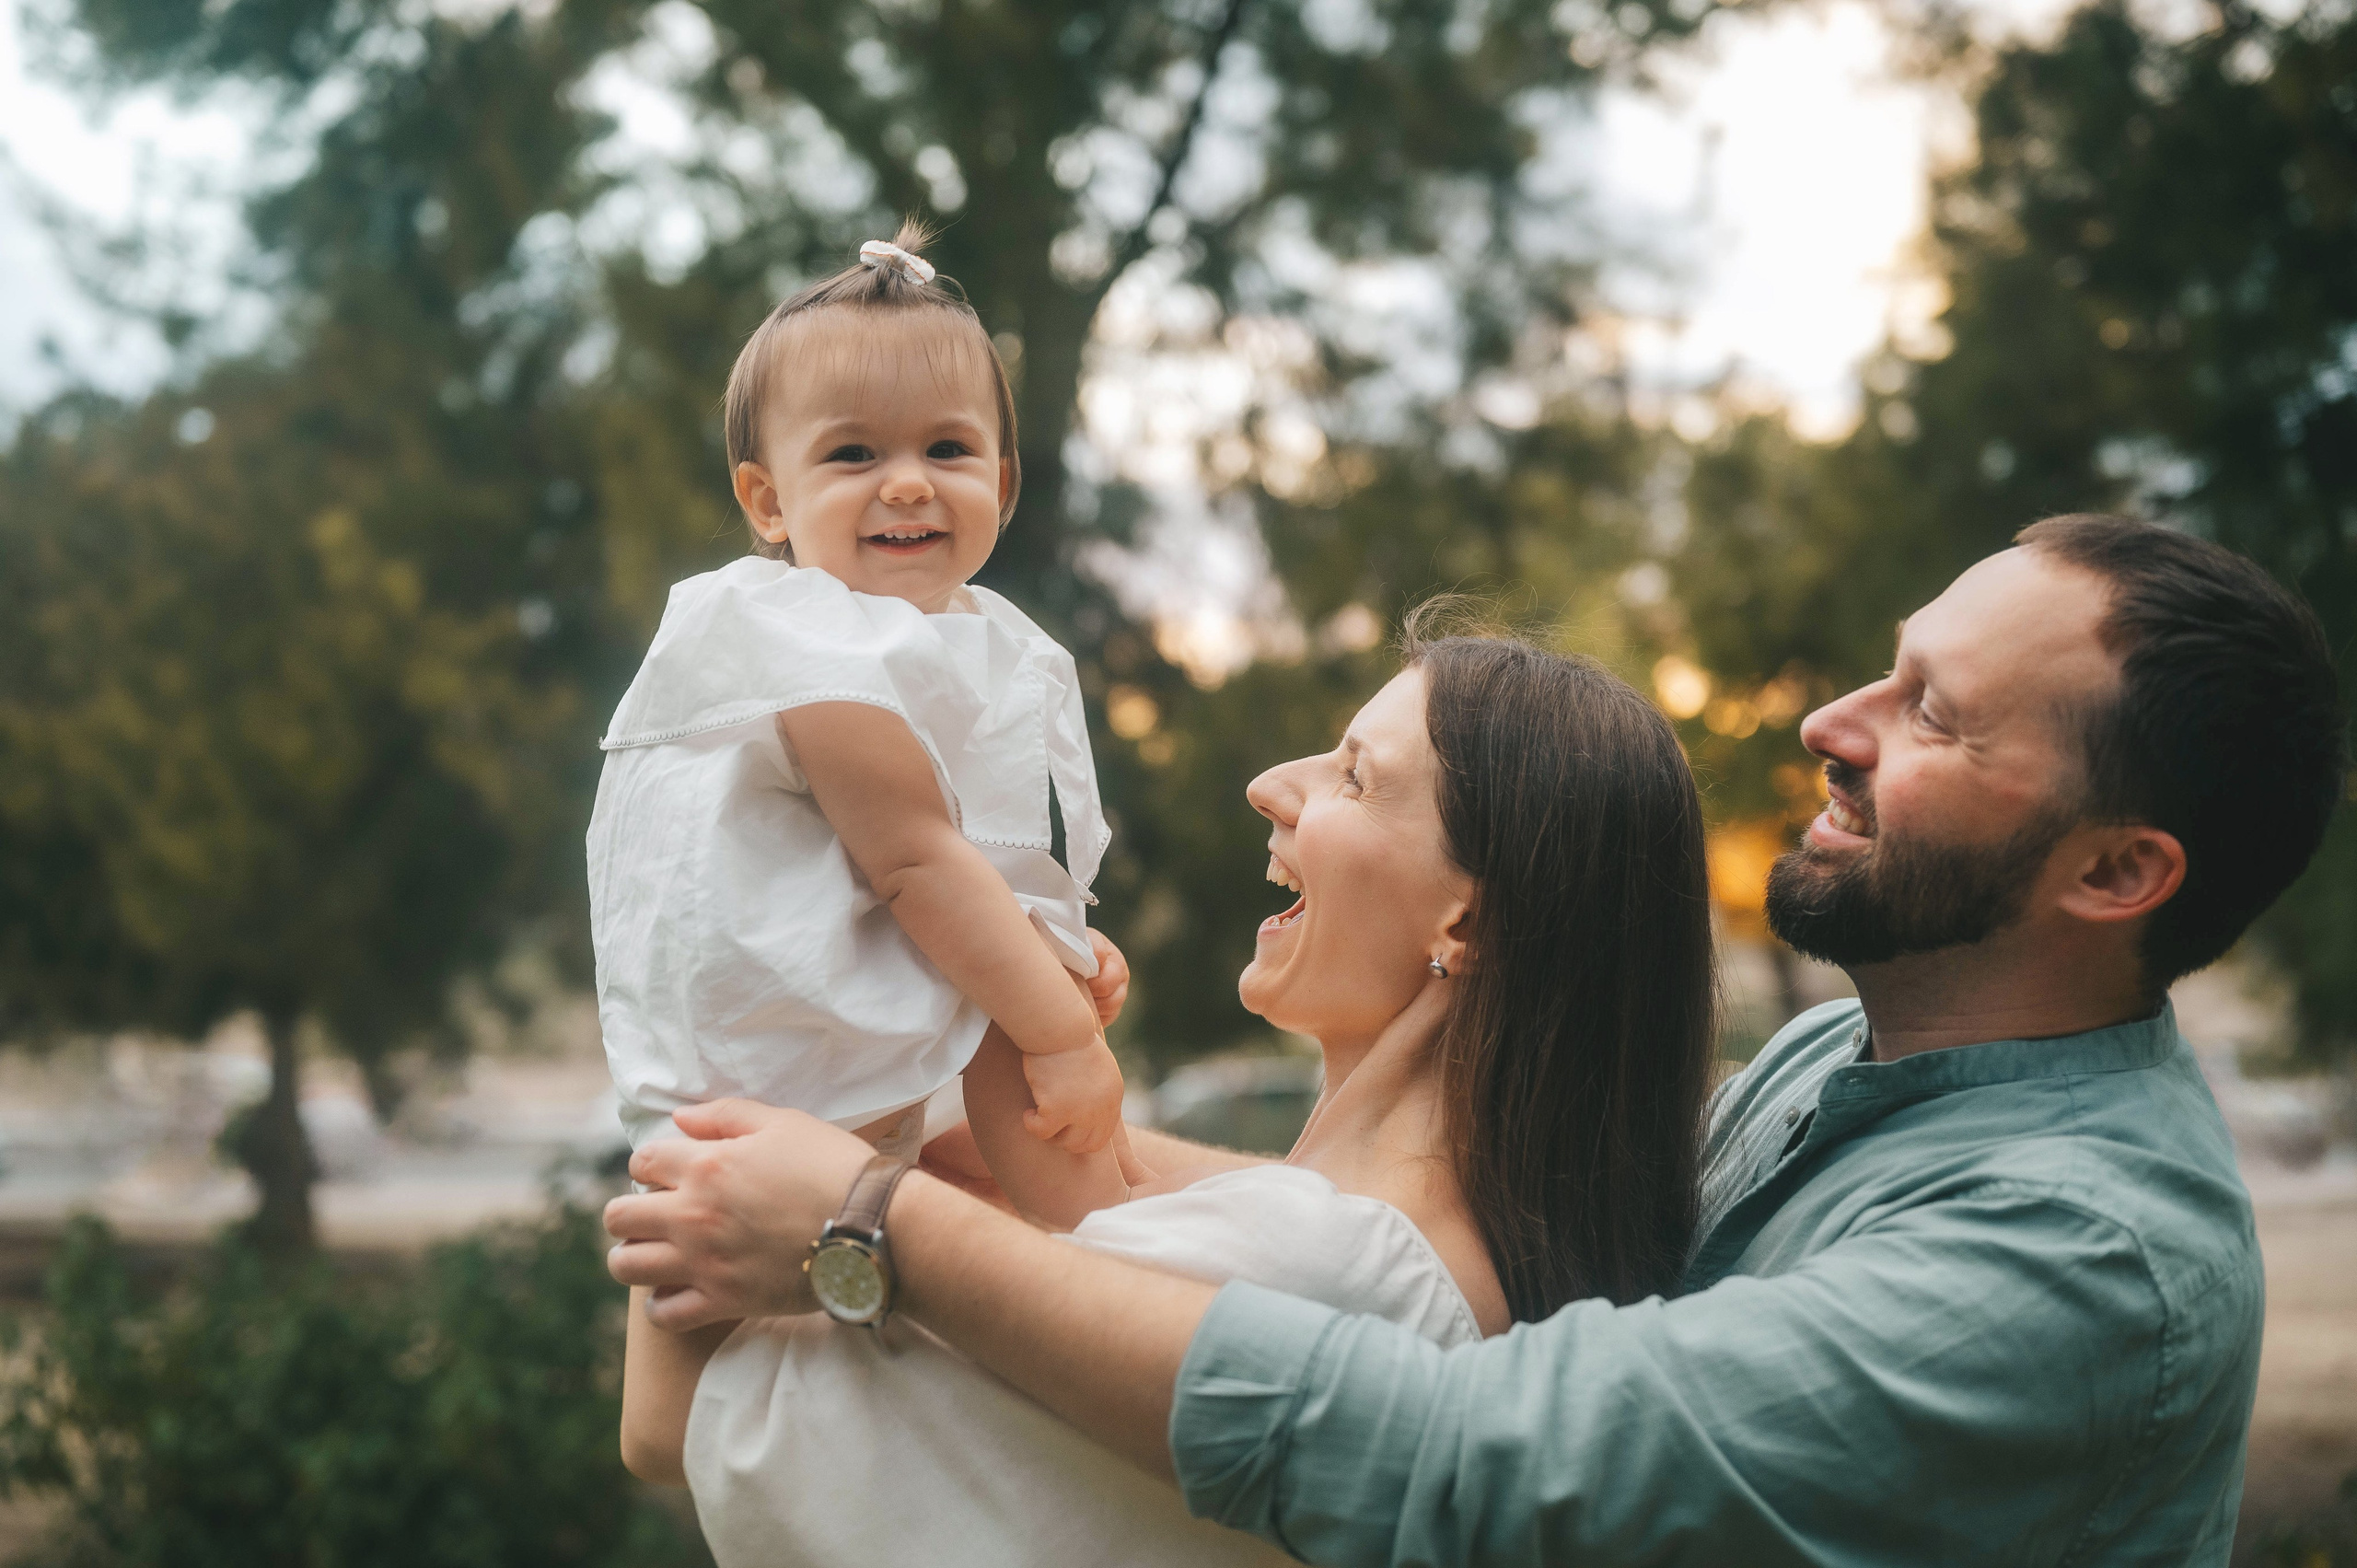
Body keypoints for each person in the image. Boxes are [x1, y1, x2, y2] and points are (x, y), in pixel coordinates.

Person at [606, 514, 2349, 1566]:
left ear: (2120, 870)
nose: (1835, 722)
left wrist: (876, 1228)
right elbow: (1473, 1218)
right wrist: (1089, 1160)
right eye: (1892, 669)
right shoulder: (1842, 1074)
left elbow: (1483, 1456)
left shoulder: (2075, 1254)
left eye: (1936, 715)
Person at [615, 625, 1720, 1566]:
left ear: (1467, 925)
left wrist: (735, 988)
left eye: (1353, 776)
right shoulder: (1389, 1253)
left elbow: (678, 1421)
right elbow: (1030, 1182)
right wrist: (993, 997)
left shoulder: (1318, 1271)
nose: (1271, 784)